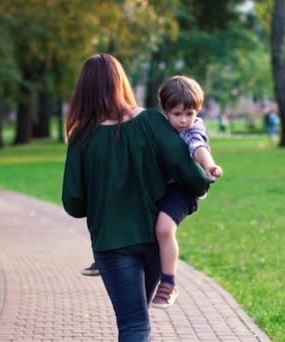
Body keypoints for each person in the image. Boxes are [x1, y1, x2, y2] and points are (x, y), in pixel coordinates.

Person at [62, 53, 211, 341]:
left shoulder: (81, 138)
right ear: (121, 82)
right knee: (138, 322)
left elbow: (73, 203)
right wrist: (199, 185)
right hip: (152, 239)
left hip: (111, 244)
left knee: (134, 325)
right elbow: (192, 175)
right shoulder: (152, 122)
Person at [150, 76, 223, 309]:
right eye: (177, 114)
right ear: (165, 111)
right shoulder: (158, 126)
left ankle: (169, 283)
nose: (184, 120)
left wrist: (210, 165)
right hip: (162, 185)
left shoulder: (194, 129)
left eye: (189, 114)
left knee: (163, 229)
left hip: (184, 190)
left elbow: (197, 147)